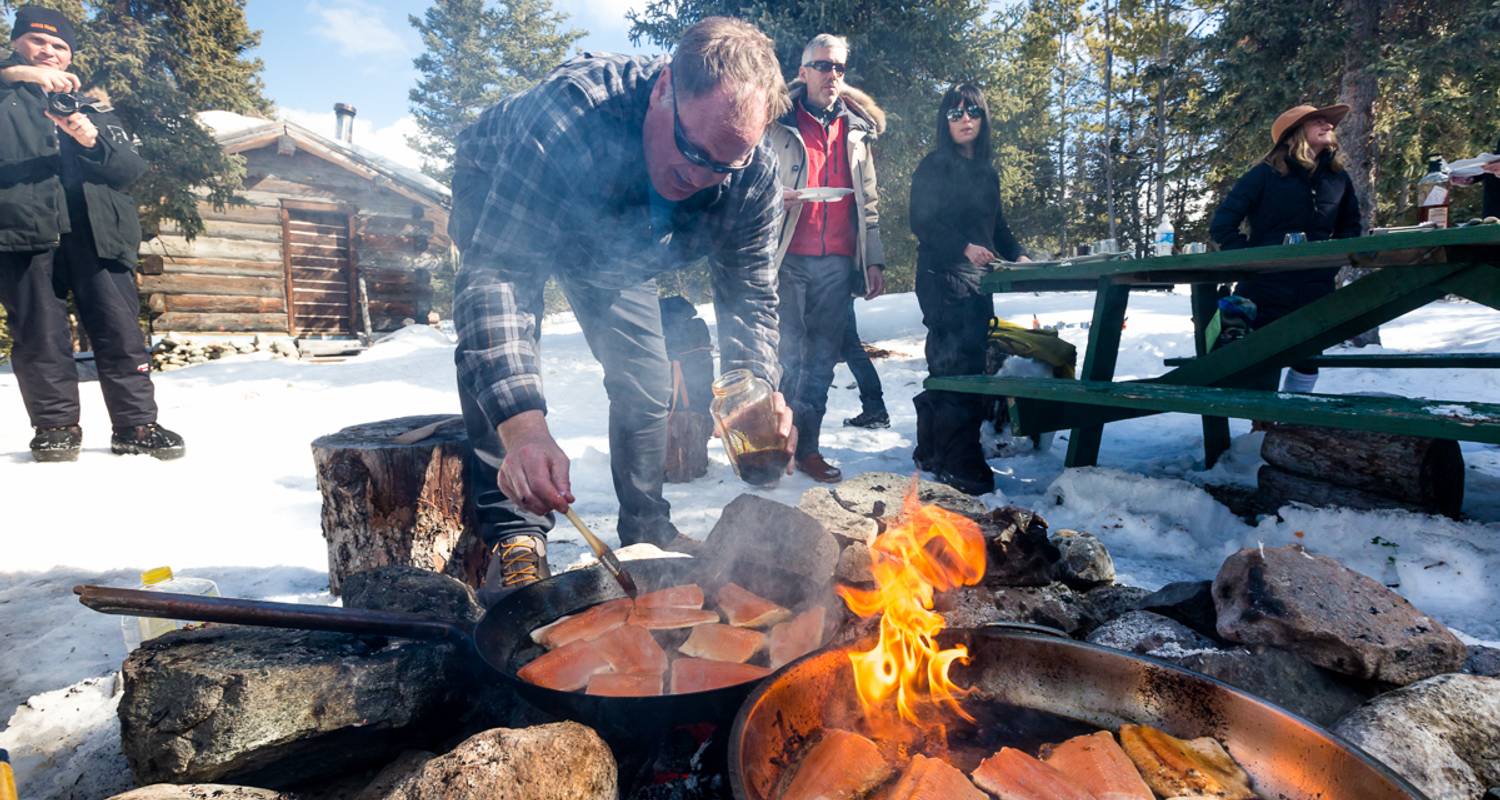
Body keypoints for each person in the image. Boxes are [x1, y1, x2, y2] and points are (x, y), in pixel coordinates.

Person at [449, 17, 795, 604]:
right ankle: (514, 532)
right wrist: (525, 426)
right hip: (502, 187)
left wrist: (754, 392)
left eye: (724, 164)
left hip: (616, 241)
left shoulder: (750, 173)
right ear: (664, 89)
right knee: (502, 366)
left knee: (646, 379)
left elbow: (750, 297)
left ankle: (646, 528)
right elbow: (500, 279)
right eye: (692, 151)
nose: (702, 178)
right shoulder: (569, 117)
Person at [0, 6, 183, 462]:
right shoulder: (5, 94)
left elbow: (130, 168)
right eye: (38, 42)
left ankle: (136, 425)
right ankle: (56, 428)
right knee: (39, 332)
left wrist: (89, 139)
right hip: (25, 229)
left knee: (120, 329)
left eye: (60, 46)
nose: (49, 51)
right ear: (17, 43)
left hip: (97, 233)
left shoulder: (95, 106)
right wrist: (13, 76)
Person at [767, 33, 886, 483]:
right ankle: (778, 447)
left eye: (837, 67)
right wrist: (777, 197)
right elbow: (752, 178)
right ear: (803, 72)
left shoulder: (857, 130)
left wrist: (872, 260)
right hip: (788, 257)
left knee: (820, 362)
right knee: (788, 357)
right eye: (822, 66)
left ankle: (809, 448)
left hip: (837, 260)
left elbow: (868, 201)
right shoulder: (777, 122)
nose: (831, 74)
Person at [908, 83, 1029, 496]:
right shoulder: (934, 166)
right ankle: (959, 463)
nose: (965, 120)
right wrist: (964, 246)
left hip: (978, 281)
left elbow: (998, 228)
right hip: (941, 276)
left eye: (973, 112)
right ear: (945, 121)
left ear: (984, 118)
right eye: (955, 113)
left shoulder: (986, 172)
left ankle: (932, 448)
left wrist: (1020, 255)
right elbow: (922, 222)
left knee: (963, 361)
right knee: (955, 364)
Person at [1209, 103, 1361, 395]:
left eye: (1329, 122)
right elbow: (1223, 225)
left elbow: (1350, 228)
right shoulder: (1264, 174)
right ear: (1294, 133)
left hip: (1315, 287)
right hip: (1265, 287)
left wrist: (1330, 263)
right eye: (1317, 121)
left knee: (1308, 356)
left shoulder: (1338, 177)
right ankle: (1261, 426)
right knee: (1262, 357)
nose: (1329, 125)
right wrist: (1253, 261)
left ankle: (1291, 425)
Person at [840, 298, 888, 429]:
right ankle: (875, 409)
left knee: (850, 348)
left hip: (832, 288)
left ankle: (875, 409)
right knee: (851, 348)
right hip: (837, 288)